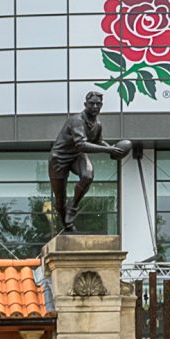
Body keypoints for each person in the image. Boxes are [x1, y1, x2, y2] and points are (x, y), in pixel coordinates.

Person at [47, 90, 135, 232]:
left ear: (101, 106)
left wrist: (112, 148)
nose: (95, 107)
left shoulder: (97, 124)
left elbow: (98, 141)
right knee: (60, 199)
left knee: (88, 176)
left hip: (77, 155)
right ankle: (67, 224)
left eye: (98, 104)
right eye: (91, 103)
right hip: (59, 158)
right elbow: (81, 144)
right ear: (85, 104)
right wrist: (108, 150)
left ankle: (73, 208)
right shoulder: (77, 120)